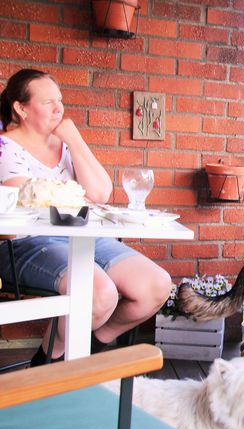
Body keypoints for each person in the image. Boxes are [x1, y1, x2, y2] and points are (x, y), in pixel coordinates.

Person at [0, 68, 172, 366]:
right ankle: (49, 365)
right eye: (48, 102)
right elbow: (35, 202)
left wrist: (75, 140)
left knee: (155, 285)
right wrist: (81, 198)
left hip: (81, 236)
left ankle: (78, 354)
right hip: (26, 244)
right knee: (99, 293)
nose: (59, 109)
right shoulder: (5, 147)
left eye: (60, 100)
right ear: (21, 108)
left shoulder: (65, 145)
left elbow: (100, 193)